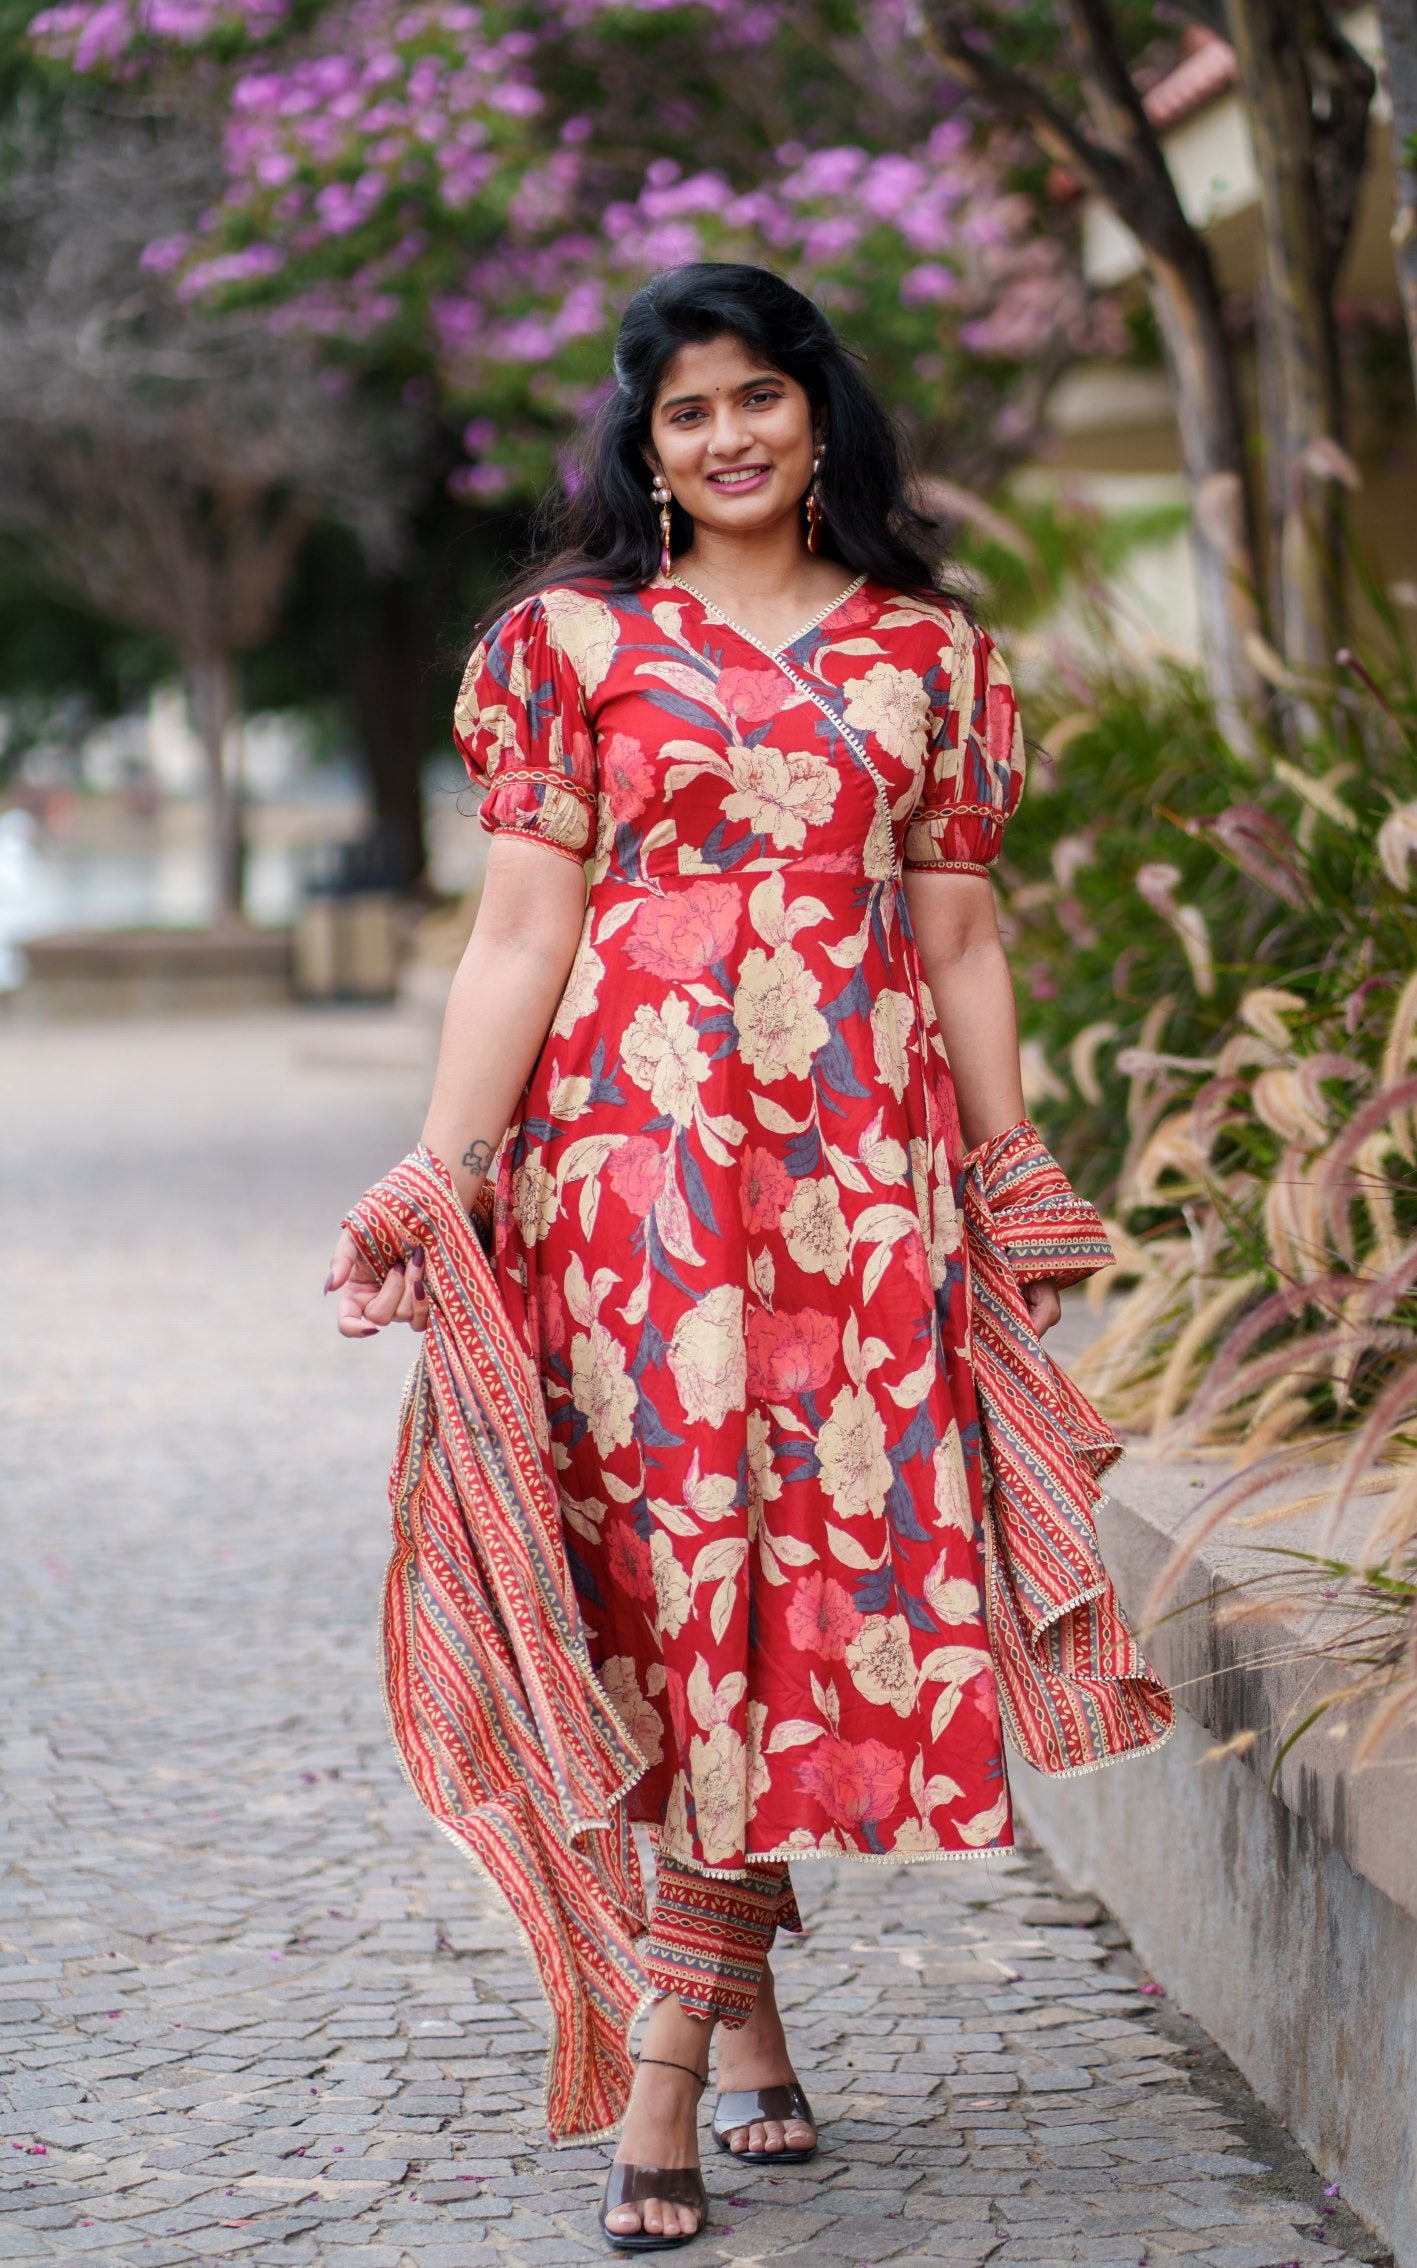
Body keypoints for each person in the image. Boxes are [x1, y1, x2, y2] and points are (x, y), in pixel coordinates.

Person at [328, 261, 1066, 2253]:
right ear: (645, 448)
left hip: (852, 1191)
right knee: (670, 1592)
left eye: (759, 394)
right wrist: (434, 1175)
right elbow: (513, 937)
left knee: (795, 1588)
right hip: (632, 1183)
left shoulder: (931, 662)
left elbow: (970, 942)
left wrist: (1013, 1173)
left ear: (821, 413)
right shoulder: (573, 646)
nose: (728, 434)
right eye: (686, 411)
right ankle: (717, 2030)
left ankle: (677, 2047)